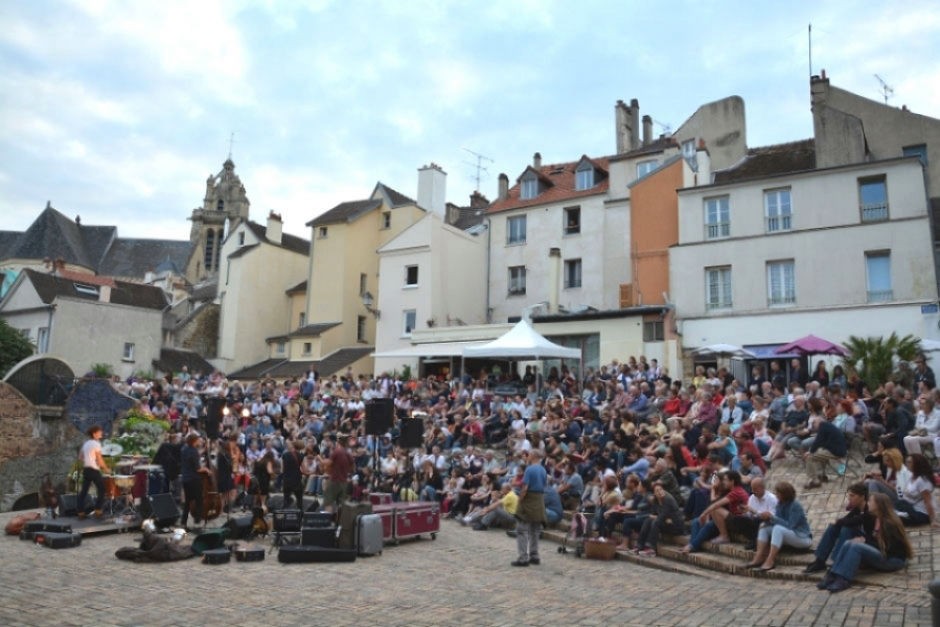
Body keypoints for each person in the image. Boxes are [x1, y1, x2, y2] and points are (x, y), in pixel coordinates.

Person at [818, 493, 913, 593]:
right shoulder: (875, 517)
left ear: (878, 505)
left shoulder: (889, 523)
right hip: (882, 553)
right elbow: (856, 524)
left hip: (893, 560)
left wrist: (865, 541)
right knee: (848, 543)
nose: (868, 503)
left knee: (856, 547)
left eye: (870, 501)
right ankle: (833, 573)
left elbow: (889, 549)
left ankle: (844, 579)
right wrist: (864, 539)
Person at [804, 483, 872, 573]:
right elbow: (845, 519)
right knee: (833, 527)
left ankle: (837, 561)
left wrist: (839, 521)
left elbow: (854, 521)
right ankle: (820, 560)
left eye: (852, 496)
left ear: (862, 497)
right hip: (860, 538)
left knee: (847, 529)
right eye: (849, 495)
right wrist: (838, 522)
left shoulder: (870, 510)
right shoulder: (857, 509)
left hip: (870, 542)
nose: (849, 498)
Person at [744, 481, 812, 571]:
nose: (776, 495)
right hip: (789, 535)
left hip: (802, 537)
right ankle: (759, 556)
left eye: (778, 493)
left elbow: (790, 526)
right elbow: (778, 521)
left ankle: (770, 560)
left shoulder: (795, 506)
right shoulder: (780, 504)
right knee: (763, 527)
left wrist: (772, 517)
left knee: (778, 529)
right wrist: (767, 519)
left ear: (785, 494)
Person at [512, 448, 548, 567]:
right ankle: (534, 555)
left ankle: (523, 558)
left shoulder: (529, 469)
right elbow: (544, 485)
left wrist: (520, 500)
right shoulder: (543, 470)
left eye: (530, 455)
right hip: (539, 500)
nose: (528, 456)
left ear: (533, 456)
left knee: (522, 529)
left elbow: (525, 487)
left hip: (529, 499)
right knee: (535, 530)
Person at [633, 481, 683, 557]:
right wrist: (659, 517)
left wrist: (658, 517)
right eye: (657, 490)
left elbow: (662, 516)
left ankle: (652, 549)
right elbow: (654, 514)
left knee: (655, 522)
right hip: (666, 523)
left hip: (675, 526)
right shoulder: (656, 501)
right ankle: (640, 546)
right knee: (648, 520)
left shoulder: (668, 499)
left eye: (661, 489)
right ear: (654, 493)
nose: (660, 492)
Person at [77, 425, 110, 519]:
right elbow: (99, 459)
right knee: (102, 489)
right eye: (99, 432)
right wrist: (106, 468)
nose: (101, 433)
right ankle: (98, 510)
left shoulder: (86, 443)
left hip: (86, 469)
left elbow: (80, 457)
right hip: (93, 470)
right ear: (94, 434)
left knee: (84, 491)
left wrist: (89, 459)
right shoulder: (96, 444)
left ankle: (80, 512)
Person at [179, 433, 208, 530]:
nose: (200, 441)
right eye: (198, 440)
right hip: (194, 479)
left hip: (185, 479)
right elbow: (198, 469)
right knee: (199, 500)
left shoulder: (184, 449)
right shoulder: (194, 451)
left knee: (187, 502)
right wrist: (207, 470)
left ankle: (183, 522)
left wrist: (203, 450)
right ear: (194, 441)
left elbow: (191, 457)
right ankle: (197, 520)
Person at [323, 435, 354, 512]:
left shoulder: (336, 452)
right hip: (344, 482)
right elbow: (352, 468)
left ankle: (328, 521)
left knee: (328, 502)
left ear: (339, 442)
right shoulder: (348, 454)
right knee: (341, 504)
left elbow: (328, 464)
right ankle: (340, 522)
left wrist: (321, 460)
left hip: (334, 480)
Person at [280, 439, 305, 510]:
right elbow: (304, 469)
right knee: (299, 500)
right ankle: (300, 516)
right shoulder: (301, 456)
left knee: (286, 499)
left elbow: (282, 469)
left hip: (287, 480)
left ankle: (283, 516)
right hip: (297, 480)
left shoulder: (285, 455)